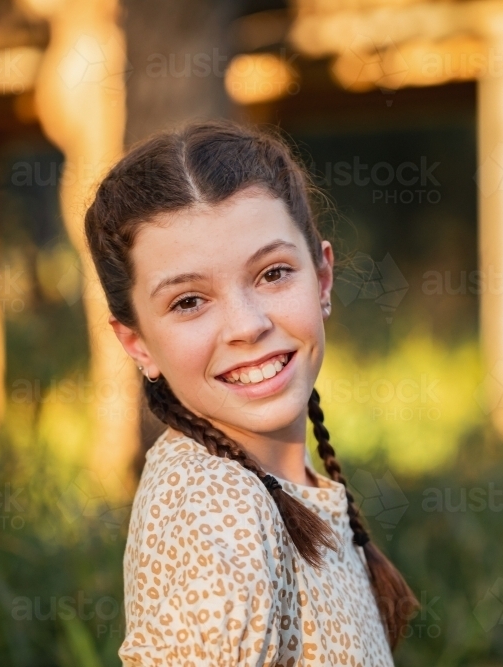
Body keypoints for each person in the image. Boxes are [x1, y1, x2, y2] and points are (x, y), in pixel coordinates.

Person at [84, 119, 418, 665]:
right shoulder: (218, 509)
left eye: (273, 273)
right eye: (188, 301)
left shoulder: (271, 484)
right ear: (137, 343)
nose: (246, 325)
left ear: (323, 277)